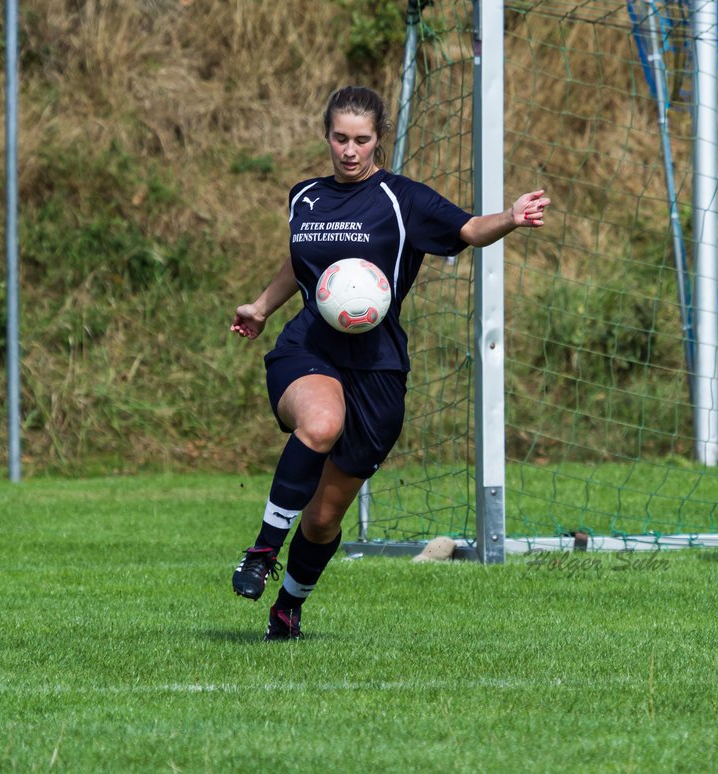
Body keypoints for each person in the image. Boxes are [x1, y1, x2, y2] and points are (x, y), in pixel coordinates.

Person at [228, 85, 549, 639]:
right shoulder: (303, 196)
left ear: (380, 139)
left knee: (326, 518)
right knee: (321, 424)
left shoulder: (404, 200)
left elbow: (469, 230)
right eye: (339, 138)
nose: (349, 150)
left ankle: (288, 608)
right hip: (309, 347)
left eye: (361, 139)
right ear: (326, 135)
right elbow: (304, 263)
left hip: (377, 368)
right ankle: (260, 550)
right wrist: (260, 306)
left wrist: (511, 217)